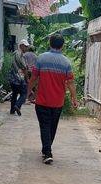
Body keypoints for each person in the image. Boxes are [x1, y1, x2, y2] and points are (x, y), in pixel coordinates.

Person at [29, 34, 78, 164]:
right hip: (58, 102)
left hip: (42, 101)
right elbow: (71, 82)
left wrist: (29, 91)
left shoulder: (41, 59)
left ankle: (47, 151)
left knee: (44, 126)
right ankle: (47, 149)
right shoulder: (66, 62)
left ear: (50, 43)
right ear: (62, 46)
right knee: (52, 126)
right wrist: (74, 98)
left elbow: (33, 78)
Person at [9, 40, 30, 116]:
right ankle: (17, 106)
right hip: (19, 78)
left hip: (12, 78)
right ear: (21, 46)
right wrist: (27, 79)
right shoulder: (19, 54)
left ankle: (12, 110)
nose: (27, 48)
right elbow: (24, 68)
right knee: (24, 94)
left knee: (14, 94)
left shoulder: (15, 54)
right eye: (25, 46)